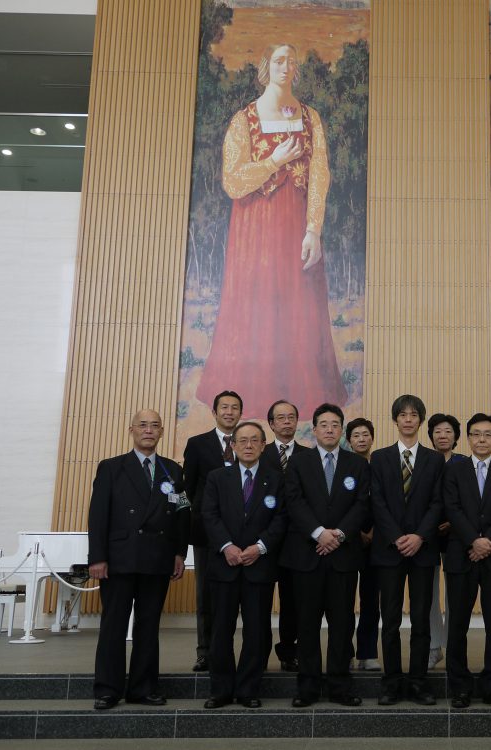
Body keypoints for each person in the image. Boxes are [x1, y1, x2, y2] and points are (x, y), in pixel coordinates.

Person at [196, 42, 346, 417]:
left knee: (298, 301)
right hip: (255, 228)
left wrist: (314, 229)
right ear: (267, 66)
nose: (286, 66)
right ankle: (251, 393)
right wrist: (273, 161)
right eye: (279, 60)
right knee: (257, 301)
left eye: (292, 61)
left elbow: (320, 175)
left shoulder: (310, 118)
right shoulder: (243, 119)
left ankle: (303, 394)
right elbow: (232, 181)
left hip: (296, 223)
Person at [87, 410, 189, 710]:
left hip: (157, 560)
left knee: (149, 626)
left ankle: (143, 687)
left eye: (154, 426)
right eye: (143, 425)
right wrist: (97, 557)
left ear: (161, 432)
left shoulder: (174, 471)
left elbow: (183, 515)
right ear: (132, 430)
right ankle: (107, 689)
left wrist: (179, 553)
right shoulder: (111, 467)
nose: (149, 430)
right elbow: (98, 516)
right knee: (113, 626)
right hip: (118, 559)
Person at [280, 403, 370, 707]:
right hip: (307, 555)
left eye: (335, 424)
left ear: (341, 430)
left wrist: (339, 535)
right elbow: (293, 502)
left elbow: (362, 505)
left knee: (343, 624)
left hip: (343, 557)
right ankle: (307, 687)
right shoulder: (298, 462)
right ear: (314, 429)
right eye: (324, 424)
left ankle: (340, 685)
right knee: (306, 624)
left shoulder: (357, 465)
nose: (329, 429)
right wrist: (319, 533)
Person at [201, 422, 286, 709]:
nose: (248, 445)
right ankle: (221, 690)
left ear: (264, 445)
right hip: (224, 566)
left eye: (255, 441)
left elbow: (281, 519)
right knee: (221, 630)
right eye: (243, 441)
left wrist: (259, 548)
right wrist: (227, 546)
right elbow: (209, 514)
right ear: (233, 446)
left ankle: (249, 688)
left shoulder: (277, 479)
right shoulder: (216, 478)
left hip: (259, 566)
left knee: (256, 630)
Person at [370, 395, 444, 705]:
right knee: (389, 620)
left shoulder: (434, 459)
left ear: (421, 419)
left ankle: (418, 682)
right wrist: (398, 536)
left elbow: (438, 502)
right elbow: (377, 502)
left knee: (421, 620)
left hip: (423, 551)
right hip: (389, 551)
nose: (409, 419)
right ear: (395, 419)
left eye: (414, 414)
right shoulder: (380, 457)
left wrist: (419, 537)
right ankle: (391, 682)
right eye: (403, 414)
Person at [442, 413, 491, 709]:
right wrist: (473, 540)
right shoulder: (454, 469)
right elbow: (452, 507)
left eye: (488, 434)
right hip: (461, 556)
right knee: (458, 624)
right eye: (476, 434)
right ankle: (460, 686)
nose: (482, 439)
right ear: (469, 438)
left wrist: (488, 542)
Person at [183, 390, 243, 673]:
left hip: (244, 536)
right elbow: (187, 490)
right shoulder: (197, 444)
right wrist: (196, 518)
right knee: (206, 595)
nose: (229, 412)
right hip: (207, 534)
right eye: (224, 407)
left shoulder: (249, 443)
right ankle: (205, 651)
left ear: (241, 413)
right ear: (215, 412)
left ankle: (234, 652)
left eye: (235, 408)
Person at [263, 399, 307, 672]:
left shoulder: (308, 456)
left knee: (293, 600)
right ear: (271, 424)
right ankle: (258, 653)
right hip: (264, 540)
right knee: (260, 601)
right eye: (281, 417)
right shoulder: (258, 451)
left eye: (292, 417)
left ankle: (290, 650)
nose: (287, 422)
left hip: (296, 540)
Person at [426, 412, 465, 669]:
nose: (443, 435)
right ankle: (433, 646)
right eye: (438, 431)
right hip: (427, 535)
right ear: (430, 436)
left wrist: (454, 522)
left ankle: (452, 646)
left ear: (456, 437)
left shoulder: (465, 463)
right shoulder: (425, 461)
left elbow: (471, 500)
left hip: (457, 535)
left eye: (448, 431)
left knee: (455, 595)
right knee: (428, 593)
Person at [346, 417, 381, 671]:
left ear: (372, 438)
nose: (361, 439)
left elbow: (388, 502)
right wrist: (356, 532)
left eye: (365, 435)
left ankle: (367, 654)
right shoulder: (343, 466)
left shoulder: (381, 465)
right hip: (348, 541)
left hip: (378, 541)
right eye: (356, 435)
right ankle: (344, 651)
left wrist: (375, 531)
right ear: (349, 440)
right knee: (344, 601)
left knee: (371, 601)